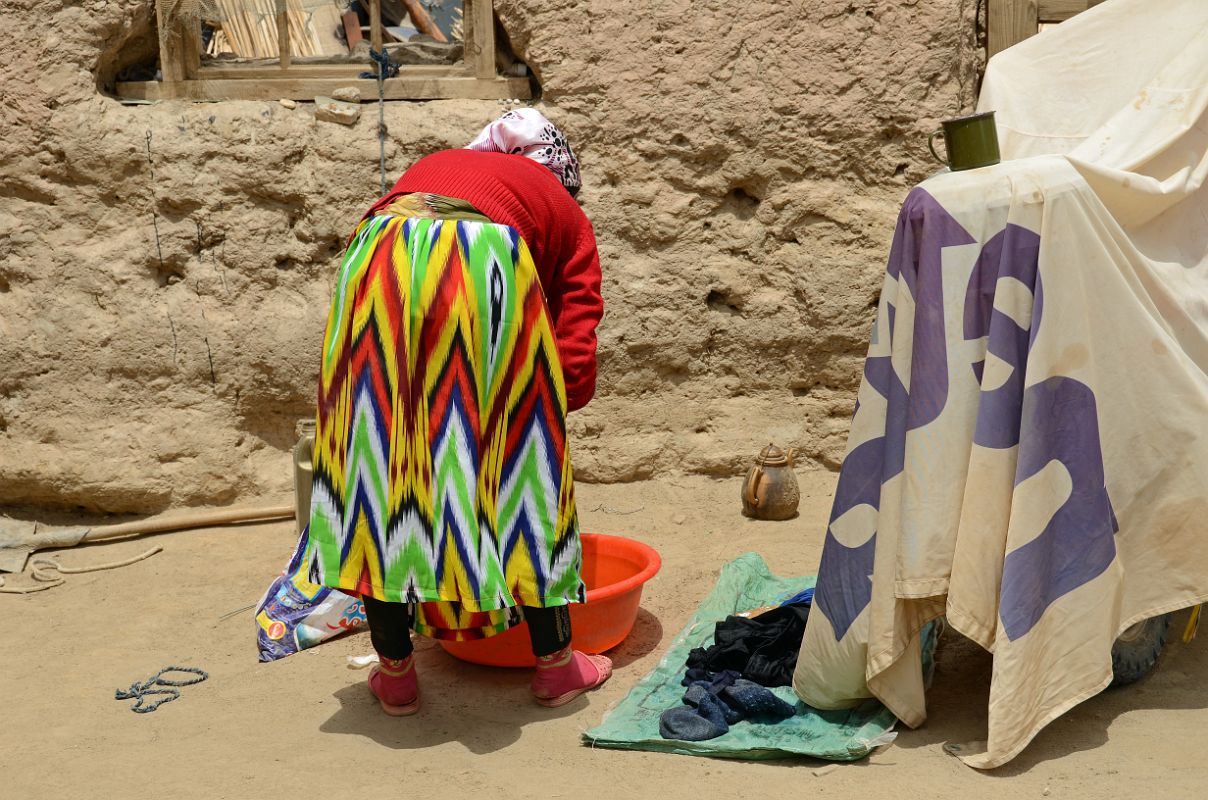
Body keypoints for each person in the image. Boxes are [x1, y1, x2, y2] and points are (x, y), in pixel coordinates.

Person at [304, 108, 609, 716]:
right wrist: (548, 407)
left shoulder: (440, 167)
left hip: (377, 255)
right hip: (482, 257)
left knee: (381, 471)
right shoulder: (561, 204)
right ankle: (555, 666)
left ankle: (395, 675)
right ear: (558, 169)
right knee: (526, 471)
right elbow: (577, 314)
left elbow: (369, 241)